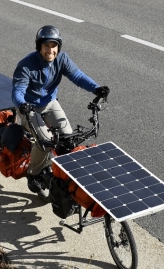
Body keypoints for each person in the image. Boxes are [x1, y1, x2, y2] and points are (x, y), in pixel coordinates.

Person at [12, 25, 110, 194]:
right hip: (29, 108)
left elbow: (78, 76)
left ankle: (63, 176)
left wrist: (96, 88)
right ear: (39, 47)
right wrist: (22, 105)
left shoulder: (62, 59)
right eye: (46, 46)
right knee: (46, 141)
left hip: (50, 103)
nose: (50, 50)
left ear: (58, 46)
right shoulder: (26, 65)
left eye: (54, 45)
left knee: (68, 139)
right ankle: (33, 174)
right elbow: (17, 91)